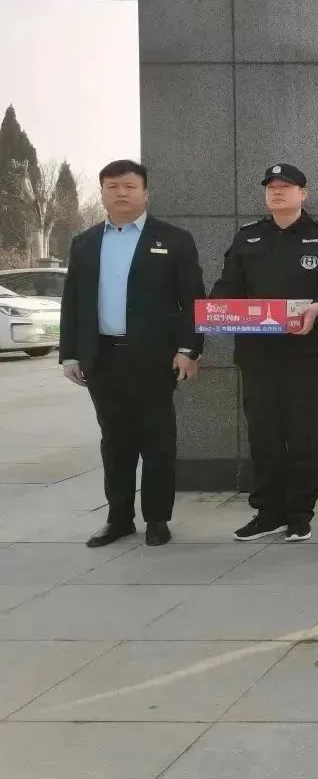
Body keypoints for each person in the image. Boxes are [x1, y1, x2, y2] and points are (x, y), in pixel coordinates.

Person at [59, 159, 205, 548]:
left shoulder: (174, 239)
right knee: (115, 441)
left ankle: (157, 519)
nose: (120, 193)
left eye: (128, 186)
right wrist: (69, 354)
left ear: (145, 193)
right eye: (112, 186)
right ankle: (119, 517)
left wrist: (189, 349)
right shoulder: (86, 242)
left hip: (155, 358)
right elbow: (72, 302)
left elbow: (193, 299)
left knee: (157, 440)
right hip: (102, 358)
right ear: (102, 194)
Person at [210, 163, 318, 543]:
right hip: (257, 354)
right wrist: (217, 309)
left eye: (286, 186)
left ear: (302, 194)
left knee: (304, 435)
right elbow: (228, 285)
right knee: (264, 435)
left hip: (305, 353)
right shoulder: (247, 238)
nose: (277, 192)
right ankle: (268, 512)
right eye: (271, 187)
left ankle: (299, 513)